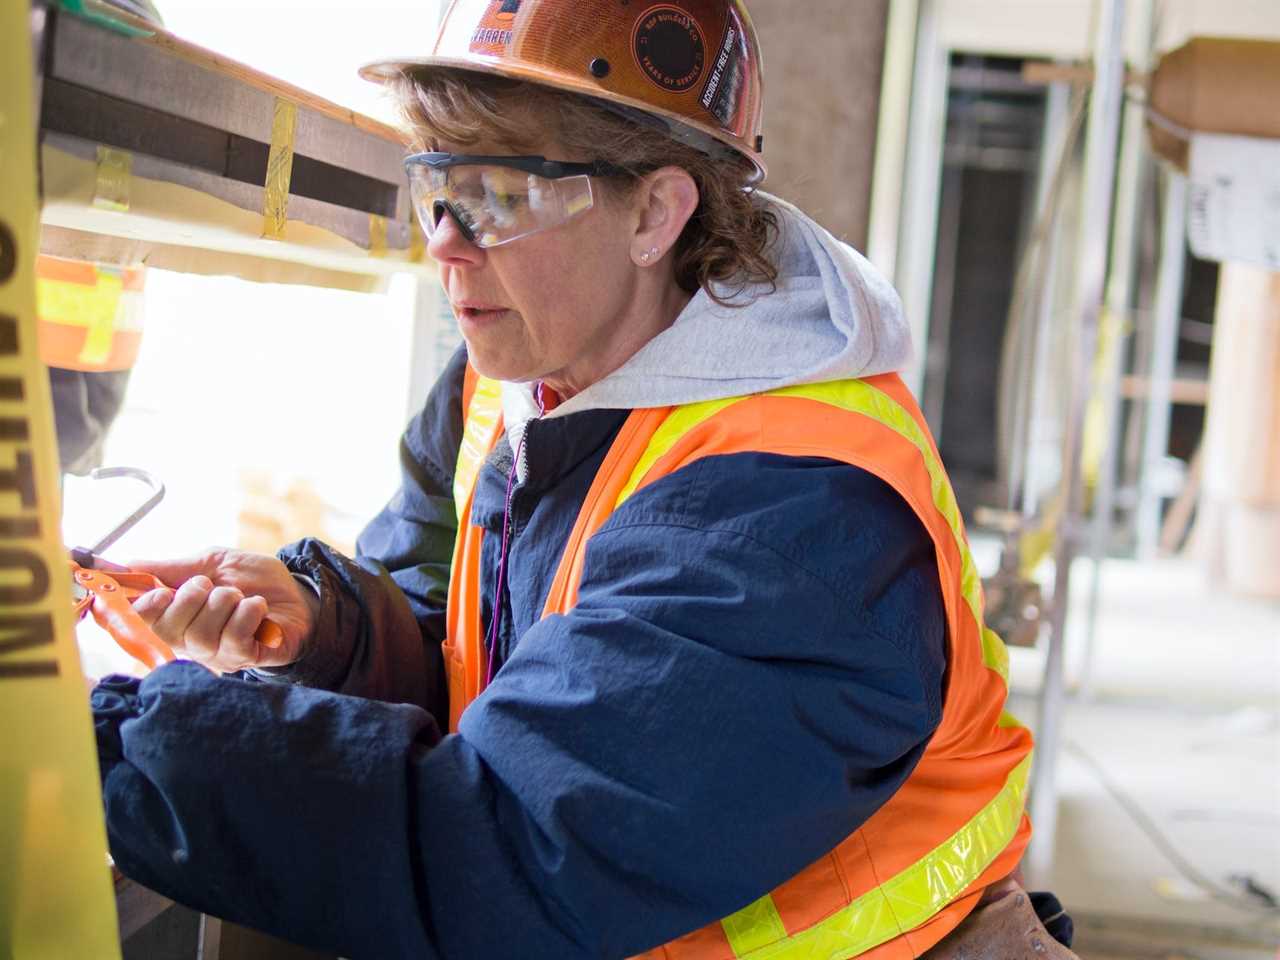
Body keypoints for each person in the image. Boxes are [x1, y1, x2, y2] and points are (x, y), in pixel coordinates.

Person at [90, 1, 1078, 957]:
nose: (444, 239)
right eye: (438, 186)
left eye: (499, 197)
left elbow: (504, 849)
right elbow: (462, 643)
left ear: (654, 212)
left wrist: (97, 738)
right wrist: (326, 626)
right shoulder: (520, 378)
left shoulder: (784, 517)